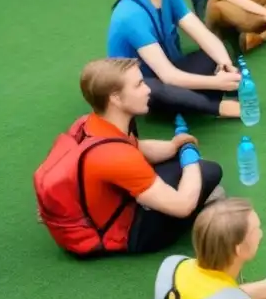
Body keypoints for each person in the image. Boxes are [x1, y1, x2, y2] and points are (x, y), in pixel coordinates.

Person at [41, 58, 224, 256]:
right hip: (127, 235)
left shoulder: (89, 123)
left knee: (179, 167)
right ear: (116, 99)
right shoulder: (117, 157)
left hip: (102, 208)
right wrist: (190, 159)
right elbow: (183, 206)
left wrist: (173, 146)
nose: (148, 90)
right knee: (209, 172)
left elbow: (136, 146)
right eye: (139, 85)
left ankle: (153, 193)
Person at [105, 0, 242, 119]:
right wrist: (216, 82)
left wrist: (225, 65)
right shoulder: (130, 16)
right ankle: (216, 107)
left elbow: (203, 35)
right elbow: (168, 76)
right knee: (154, 90)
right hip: (142, 88)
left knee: (216, 54)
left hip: (168, 71)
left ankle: (192, 100)